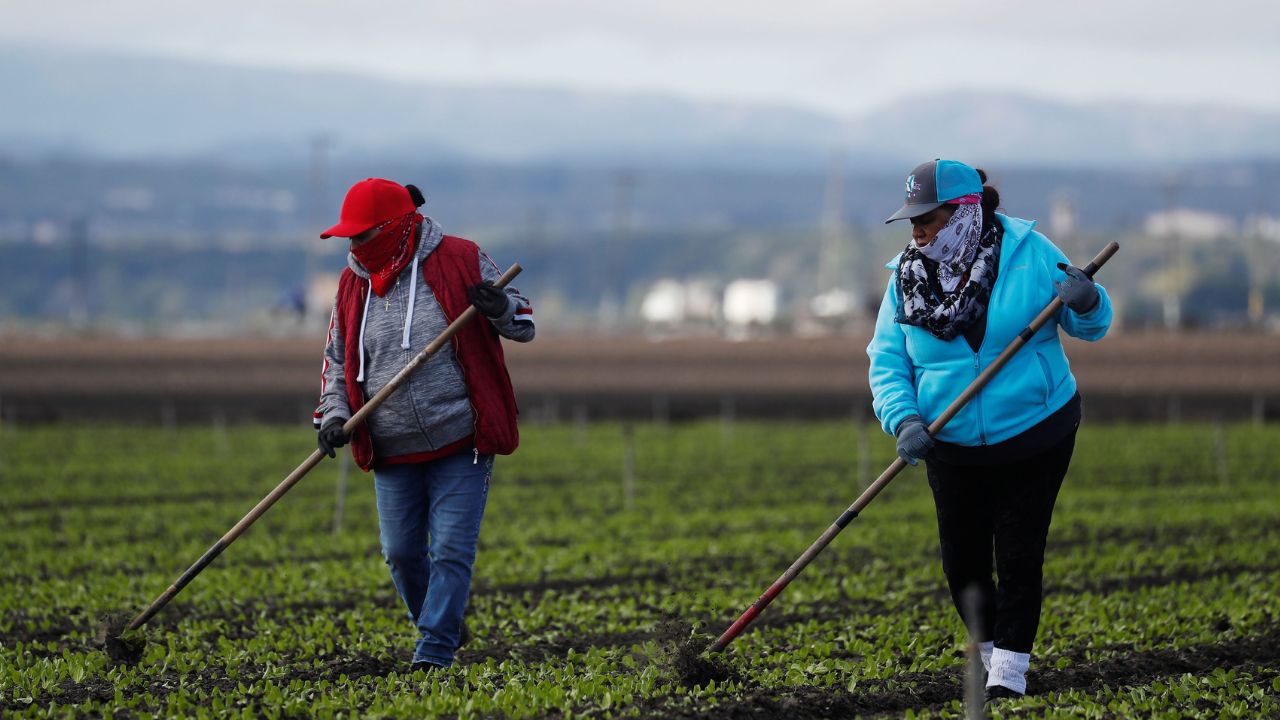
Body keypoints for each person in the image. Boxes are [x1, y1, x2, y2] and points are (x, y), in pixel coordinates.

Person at [866, 159, 1111, 701]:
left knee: (1020, 550)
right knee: (962, 558)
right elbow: (887, 359)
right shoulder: (905, 277)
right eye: (912, 222)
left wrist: (1088, 300)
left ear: (964, 213)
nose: (917, 232)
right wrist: (903, 418)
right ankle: (986, 648)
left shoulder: (1031, 254)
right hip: (948, 441)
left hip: (1036, 430)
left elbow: (1090, 325)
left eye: (927, 219)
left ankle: (1010, 672)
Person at [313, 178, 534, 672]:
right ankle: (445, 624)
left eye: (362, 235)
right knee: (400, 555)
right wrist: (334, 417)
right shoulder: (352, 285)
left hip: (462, 438)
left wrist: (500, 308)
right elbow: (335, 360)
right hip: (391, 446)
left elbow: (524, 321)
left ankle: (433, 652)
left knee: (452, 550)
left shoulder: (461, 257)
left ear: (394, 227)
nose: (353, 246)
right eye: (348, 237)